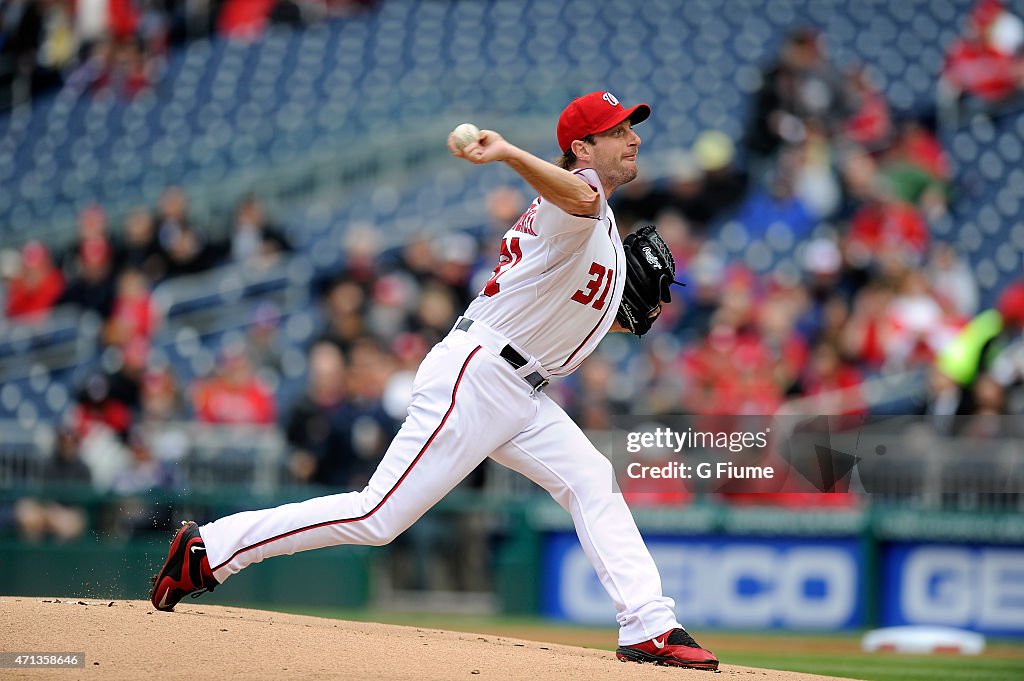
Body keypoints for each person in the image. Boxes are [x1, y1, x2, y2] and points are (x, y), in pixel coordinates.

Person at [149, 91, 719, 670]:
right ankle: (209, 549)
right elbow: (575, 191)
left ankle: (649, 625)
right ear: (582, 148)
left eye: (631, 127)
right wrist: (509, 154)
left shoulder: (594, 225)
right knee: (377, 517)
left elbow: (564, 308)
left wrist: (620, 317)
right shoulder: (576, 197)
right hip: (478, 376)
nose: (634, 137)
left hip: (520, 388)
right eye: (619, 129)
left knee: (591, 477)